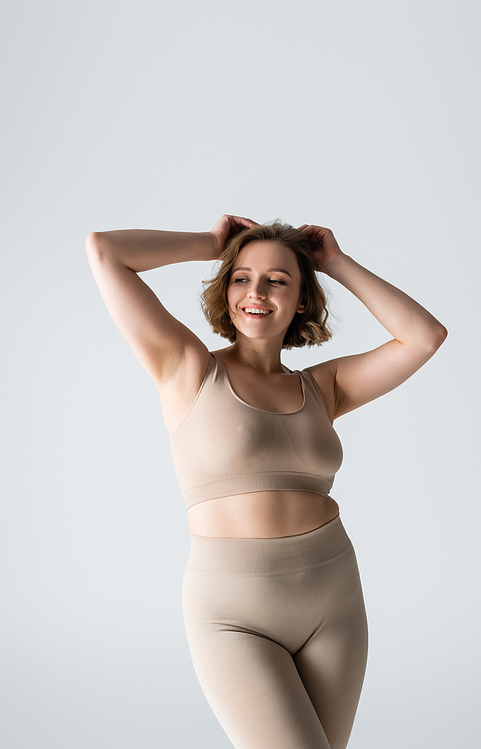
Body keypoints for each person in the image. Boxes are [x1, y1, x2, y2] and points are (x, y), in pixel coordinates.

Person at [85, 215, 447, 749]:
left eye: (278, 280)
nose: (256, 291)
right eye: (241, 277)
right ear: (225, 289)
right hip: (233, 612)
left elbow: (424, 337)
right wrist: (210, 245)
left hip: (334, 599)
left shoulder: (324, 387)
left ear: (301, 300)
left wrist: (335, 263)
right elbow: (104, 252)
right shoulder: (187, 368)